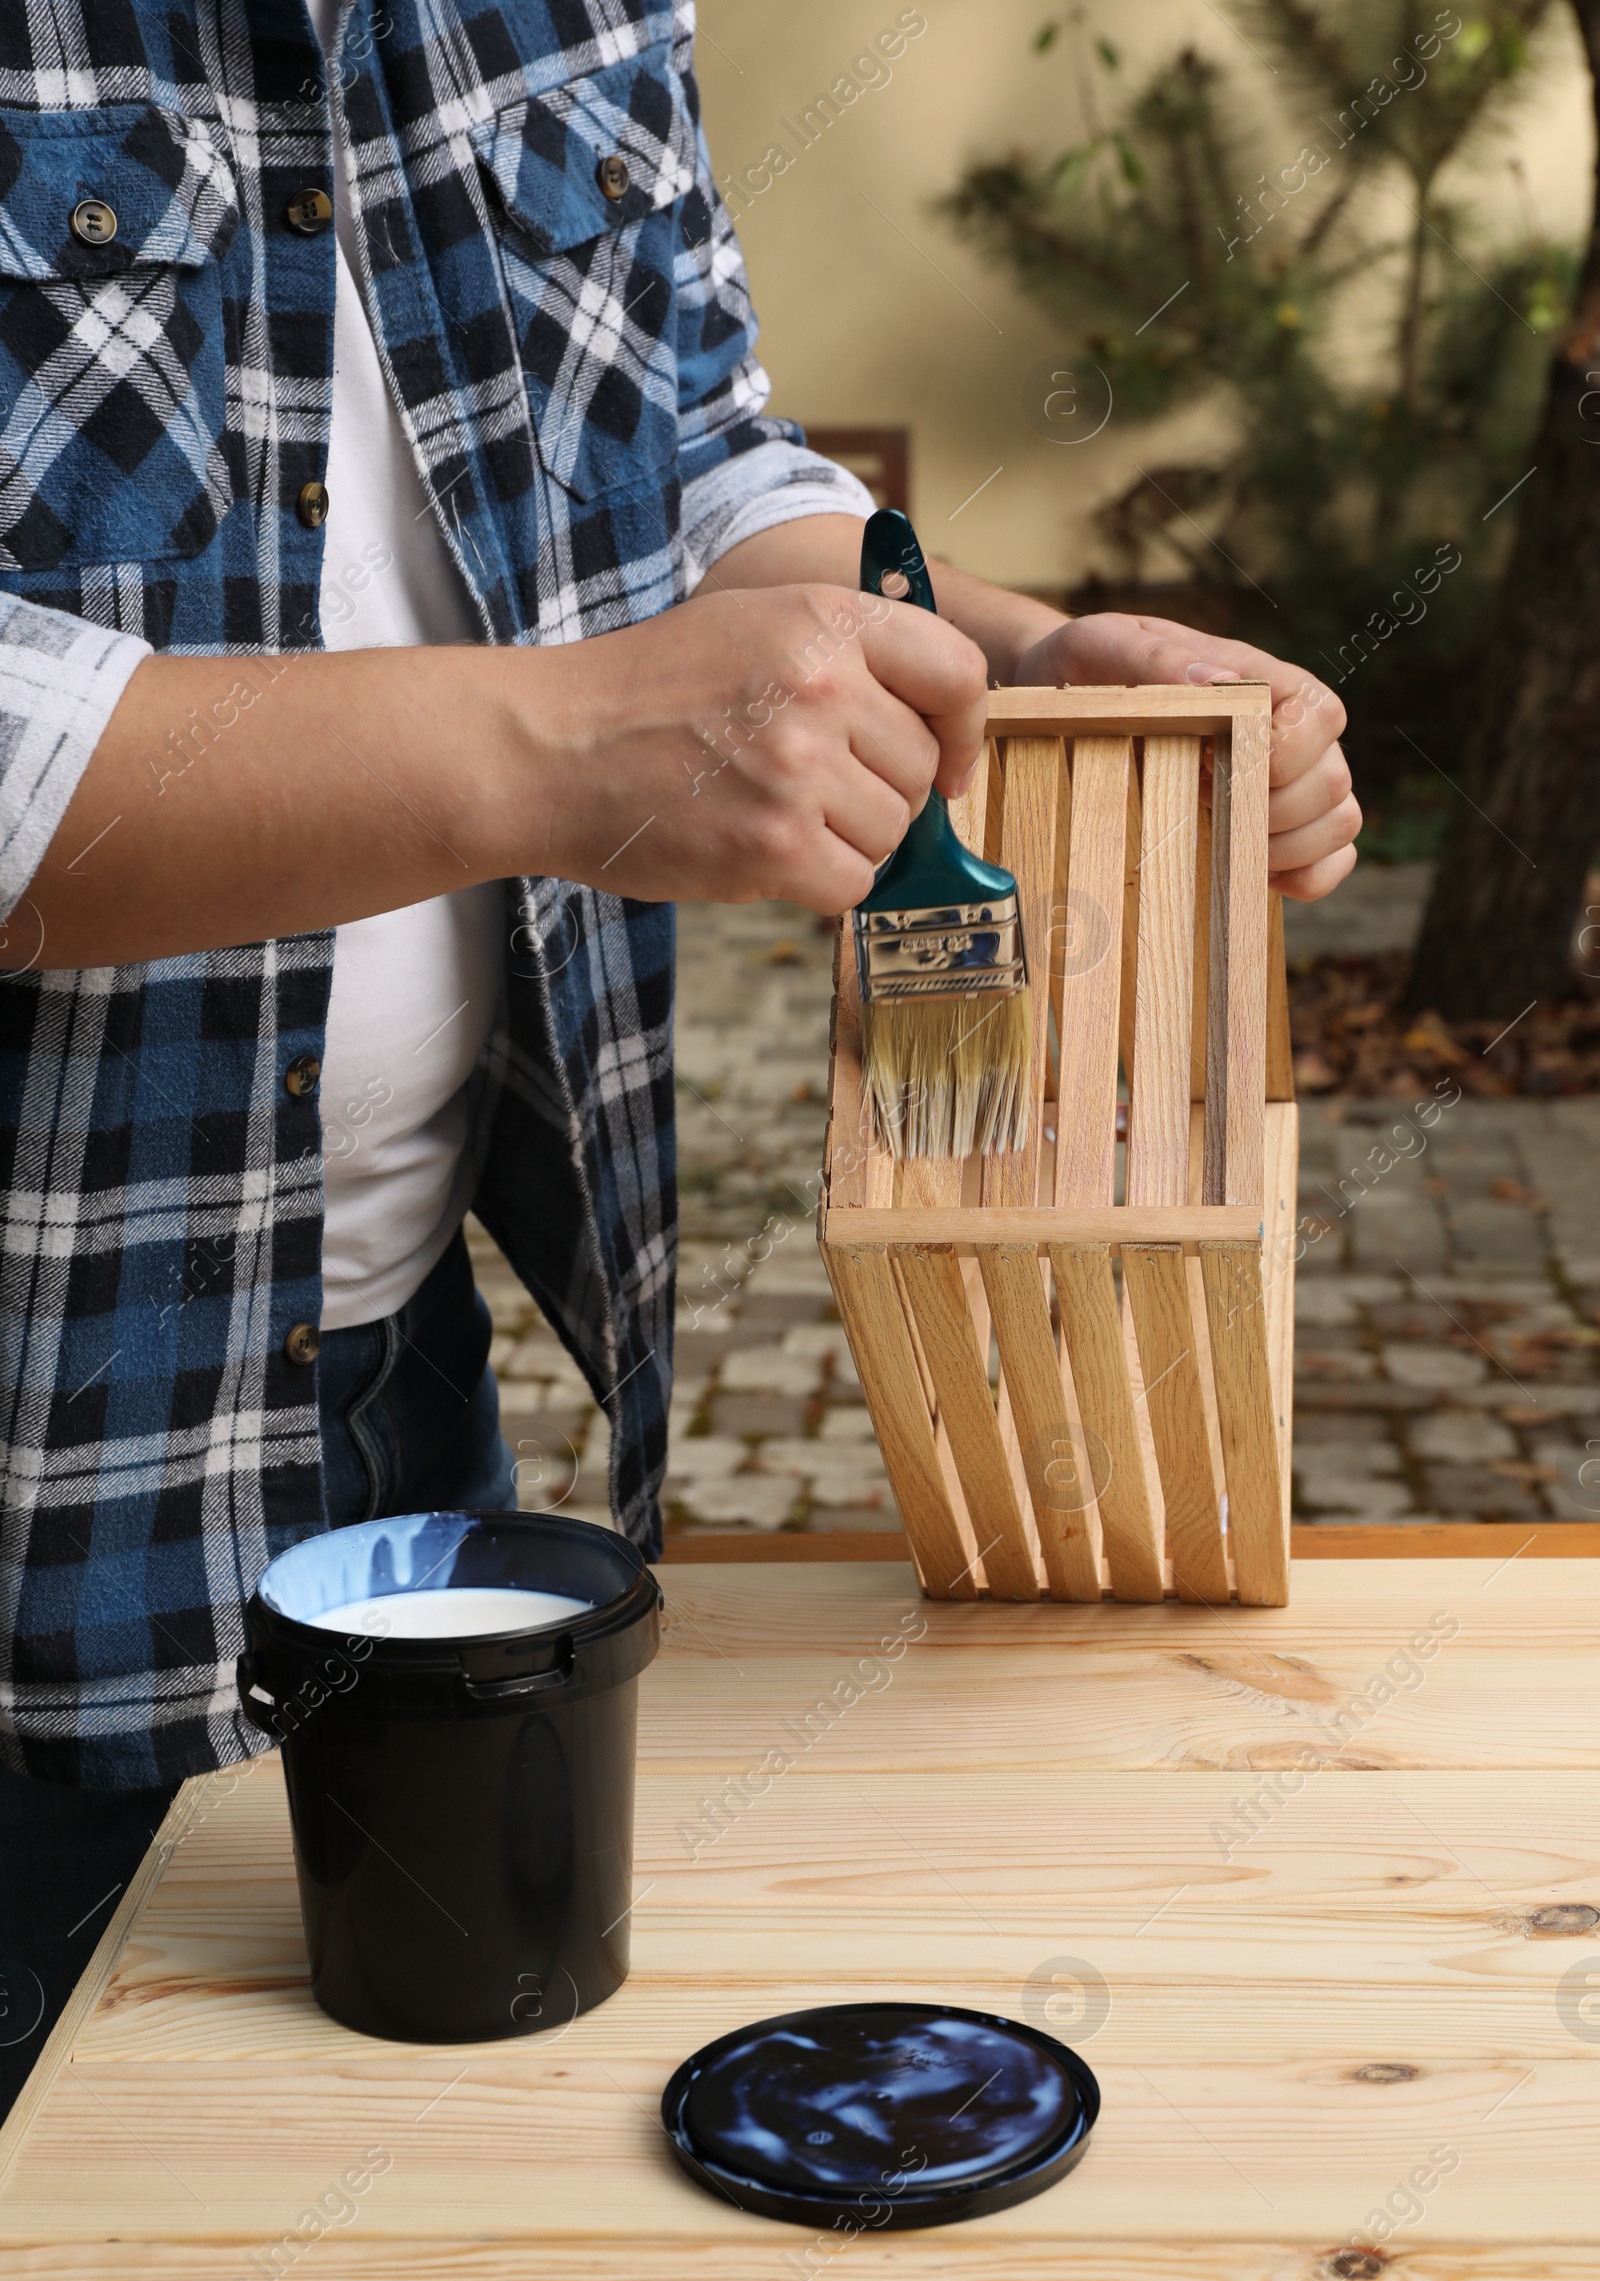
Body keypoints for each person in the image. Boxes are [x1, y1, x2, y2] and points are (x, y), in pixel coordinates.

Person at [0, 0, 1359, 2116]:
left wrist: (1008, 667)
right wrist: (554, 749)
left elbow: (684, 455)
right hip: (38, 1493)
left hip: (380, 1399)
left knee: (394, 2192)